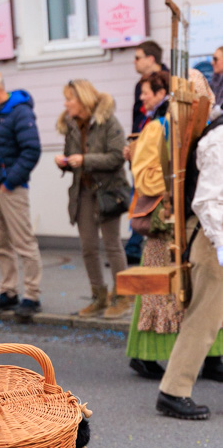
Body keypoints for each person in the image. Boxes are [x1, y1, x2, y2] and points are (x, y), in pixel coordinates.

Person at [156, 103, 223, 419]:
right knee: (203, 319)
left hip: (215, 237)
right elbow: (208, 200)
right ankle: (173, 391)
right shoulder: (219, 137)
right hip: (214, 240)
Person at [55, 80, 131, 319]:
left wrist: (84, 160)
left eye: (70, 99)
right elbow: (73, 156)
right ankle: (99, 297)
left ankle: (123, 297)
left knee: (112, 245)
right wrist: (66, 163)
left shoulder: (107, 120)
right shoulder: (72, 124)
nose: (66, 104)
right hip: (84, 192)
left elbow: (118, 157)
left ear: (83, 99)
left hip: (108, 191)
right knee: (88, 247)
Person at [0, 67, 43, 321]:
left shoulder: (20, 112)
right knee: (1, 244)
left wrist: (9, 182)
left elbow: (32, 150)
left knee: (24, 243)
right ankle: (9, 291)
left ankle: (32, 295)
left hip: (10, 190)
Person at [125, 41, 169, 265]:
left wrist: (140, 152)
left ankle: (135, 244)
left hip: (155, 176)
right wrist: (134, 143)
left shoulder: (163, 115)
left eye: (137, 57)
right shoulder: (141, 87)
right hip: (143, 158)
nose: (135, 62)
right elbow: (138, 122)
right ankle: (135, 244)